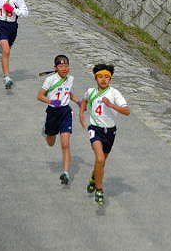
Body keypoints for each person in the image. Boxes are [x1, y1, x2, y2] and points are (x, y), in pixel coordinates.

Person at [79, 64, 130, 205]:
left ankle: (93, 178)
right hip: (95, 128)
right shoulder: (91, 91)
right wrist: (81, 113)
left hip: (110, 131)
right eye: (100, 77)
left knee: (101, 162)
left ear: (110, 79)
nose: (103, 80)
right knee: (100, 159)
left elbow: (127, 111)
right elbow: (84, 101)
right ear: (95, 78)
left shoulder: (114, 93)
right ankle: (99, 189)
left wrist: (111, 105)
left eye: (106, 77)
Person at [37, 55, 80, 185]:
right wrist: (51, 101)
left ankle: (65, 173)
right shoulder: (50, 80)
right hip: (52, 113)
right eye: (61, 66)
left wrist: (78, 101)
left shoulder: (70, 79)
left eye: (66, 66)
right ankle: (46, 131)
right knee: (51, 143)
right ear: (55, 68)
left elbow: (68, 92)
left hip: (65, 112)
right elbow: (39, 96)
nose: (64, 68)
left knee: (65, 144)